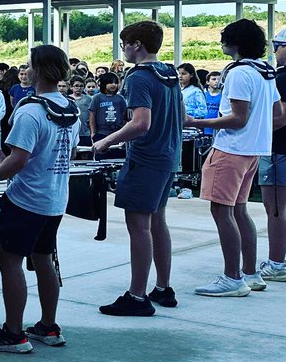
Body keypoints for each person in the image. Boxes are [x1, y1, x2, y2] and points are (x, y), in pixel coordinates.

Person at [0, 45, 79, 353]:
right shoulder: (70, 109)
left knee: (10, 260)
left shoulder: (31, 111)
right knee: (44, 258)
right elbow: (69, 153)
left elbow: (18, 159)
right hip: (55, 198)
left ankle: (14, 333)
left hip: (25, 199)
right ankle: (48, 327)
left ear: (39, 71)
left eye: (29, 65)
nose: (26, 70)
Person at [187, 19, 284, 295]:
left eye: (225, 39)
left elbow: (237, 118)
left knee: (222, 211)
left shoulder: (239, 73)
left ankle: (232, 277)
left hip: (231, 149)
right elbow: (277, 114)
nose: (222, 44)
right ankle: (250, 273)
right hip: (253, 150)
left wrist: (196, 122)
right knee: (239, 210)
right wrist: (258, 131)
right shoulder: (265, 71)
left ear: (235, 43)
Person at [93, 21, 184, 316]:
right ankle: (163, 288)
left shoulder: (139, 77)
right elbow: (182, 116)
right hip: (169, 156)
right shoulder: (169, 73)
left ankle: (136, 296)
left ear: (137, 45)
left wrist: (106, 141)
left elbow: (141, 123)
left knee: (139, 227)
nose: (123, 50)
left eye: (124, 45)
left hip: (145, 158)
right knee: (158, 222)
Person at [257, 29, 286, 282]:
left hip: (278, 149)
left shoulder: (282, 78)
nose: (275, 51)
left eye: (278, 46)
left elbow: (280, 118)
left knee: (275, 208)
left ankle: (277, 262)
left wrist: (254, 131)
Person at [88, 72, 126, 154]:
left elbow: (123, 115)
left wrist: (122, 131)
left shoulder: (120, 98)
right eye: (111, 82)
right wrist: (93, 133)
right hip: (101, 133)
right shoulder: (97, 98)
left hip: (117, 133)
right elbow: (92, 115)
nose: (114, 85)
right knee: (101, 155)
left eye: (115, 83)